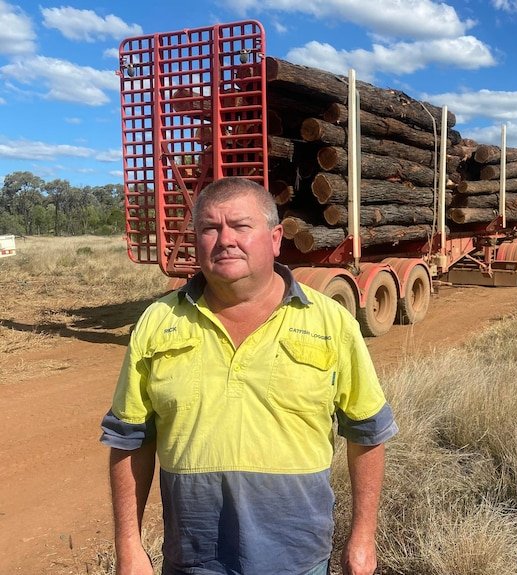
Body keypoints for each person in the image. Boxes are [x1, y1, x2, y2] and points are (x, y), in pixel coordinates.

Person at [100, 177, 397, 575]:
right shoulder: (158, 322)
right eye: (209, 228)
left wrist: (363, 537)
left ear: (275, 239)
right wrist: (130, 548)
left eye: (240, 226)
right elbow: (129, 440)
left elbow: (367, 432)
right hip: (193, 559)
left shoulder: (331, 323)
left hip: (298, 558)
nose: (225, 239)